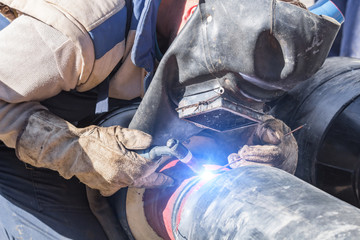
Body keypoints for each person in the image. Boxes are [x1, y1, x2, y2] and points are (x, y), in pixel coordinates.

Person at [0, 0, 330, 239]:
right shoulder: (82, 26)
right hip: (13, 146)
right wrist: (73, 147)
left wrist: (263, 142)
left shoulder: (230, 26)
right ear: (195, 14)